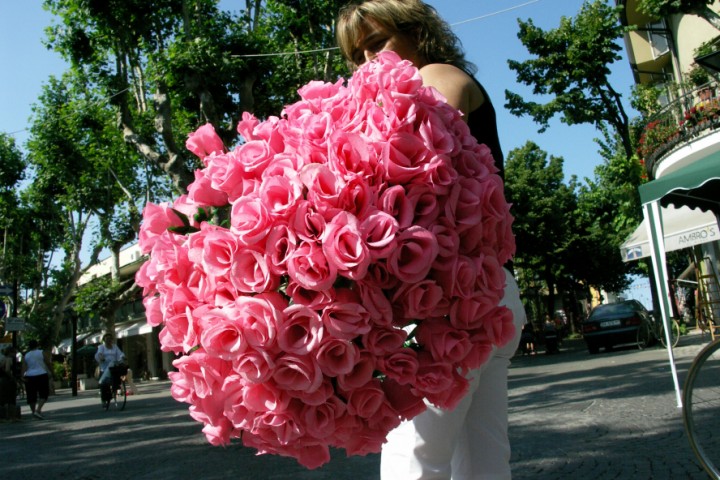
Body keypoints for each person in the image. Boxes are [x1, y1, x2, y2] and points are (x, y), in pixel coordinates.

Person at [336, 2, 526, 478]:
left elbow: (421, 122)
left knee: (413, 464)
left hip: (450, 304)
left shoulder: (438, 74)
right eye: (355, 55)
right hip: (487, 296)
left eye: (377, 42)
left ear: (417, 33)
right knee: (483, 462)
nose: (367, 63)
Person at [21, 340, 52, 419]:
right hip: (41, 374)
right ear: (37, 345)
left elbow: (24, 366)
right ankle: (38, 410)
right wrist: (51, 371)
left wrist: (22, 376)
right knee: (44, 393)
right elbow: (48, 362)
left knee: (31, 395)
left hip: (30, 375)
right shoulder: (41, 352)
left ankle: (33, 412)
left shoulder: (26, 355)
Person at [94, 334, 126, 403]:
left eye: (110, 338)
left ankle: (116, 389)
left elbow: (120, 354)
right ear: (104, 340)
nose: (109, 340)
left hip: (113, 367)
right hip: (104, 368)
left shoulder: (115, 347)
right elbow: (99, 354)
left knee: (117, 376)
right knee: (104, 384)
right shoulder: (101, 347)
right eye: (107, 339)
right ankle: (104, 399)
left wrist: (122, 357)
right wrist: (101, 358)